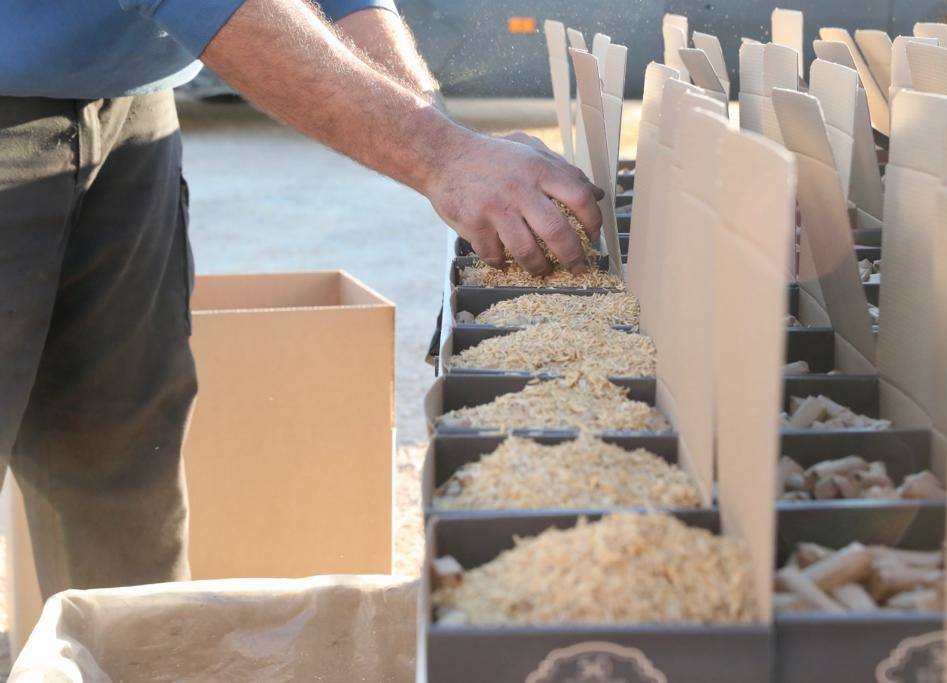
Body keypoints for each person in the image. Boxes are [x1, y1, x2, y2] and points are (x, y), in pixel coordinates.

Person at [0, 0, 603, 598]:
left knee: (118, 448)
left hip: (131, 103)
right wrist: (441, 156)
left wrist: (448, 139)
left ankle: (129, 656)